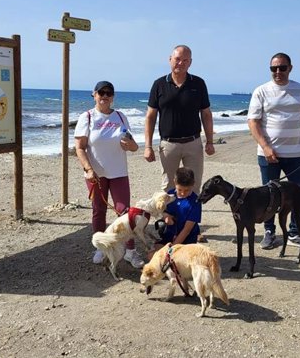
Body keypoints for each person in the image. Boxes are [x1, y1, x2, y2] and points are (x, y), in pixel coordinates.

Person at [247, 52, 300, 250]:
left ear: (290, 68)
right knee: (269, 195)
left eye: (282, 67)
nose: (277, 72)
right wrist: (265, 146)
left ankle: (295, 234)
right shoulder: (261, 91)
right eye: (273, 68)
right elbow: (253, 122)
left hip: (296, 153)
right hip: (268, 154)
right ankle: (269, 232)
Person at [74, 81, 143, 268]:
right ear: (94, 95)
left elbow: (134, 146)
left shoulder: (120, 117)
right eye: (101, 93)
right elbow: (79, 148)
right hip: (96, 175)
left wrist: (130, 145)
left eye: (109, 93)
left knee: (124, 212)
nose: (105, 96)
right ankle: (101, 248)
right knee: (99, 211)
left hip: (119, 172)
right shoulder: (87, 117)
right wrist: (88, 170)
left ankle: (130, 251)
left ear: (113, 96)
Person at [143, 45, 215, 194]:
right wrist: (148, 146)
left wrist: (209, 142)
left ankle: (191, 218)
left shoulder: (198, 83)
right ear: (170, 60)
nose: (180, 63)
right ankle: (169, 218)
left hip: (193, 143)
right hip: (168, 144)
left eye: (185, 60)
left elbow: (206, 114)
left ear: (190, 63)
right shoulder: (159, 84)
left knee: (193, 186)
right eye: (177, 59)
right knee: (169, 187)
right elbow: (150, 116)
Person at [148, 167, 201, 260]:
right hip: (169, 236)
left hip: (185, 241)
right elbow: (163, 211)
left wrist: (172, 249)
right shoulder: (170, 194)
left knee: (167, 259)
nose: (183, 193)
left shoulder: (195, 202)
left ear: (193, 185)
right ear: (175, 182)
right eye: (180, 190)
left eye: (187, 190)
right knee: (151, 256)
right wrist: (166, 216)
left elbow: (187, 230)